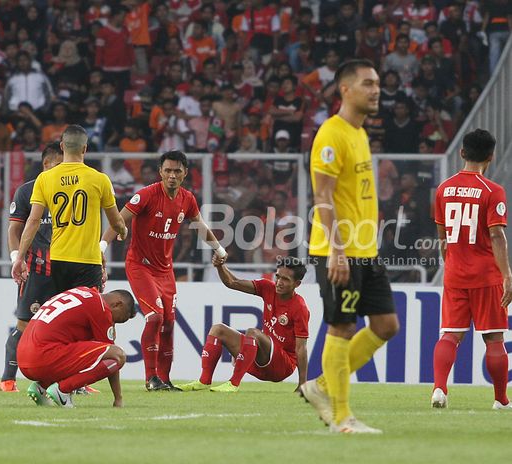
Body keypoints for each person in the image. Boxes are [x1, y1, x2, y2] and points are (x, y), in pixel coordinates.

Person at [299, 59, 399, 434]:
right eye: (368, 84)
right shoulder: (332, 134)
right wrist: (337, 250)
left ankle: (321, 386)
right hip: (337, 250)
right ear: (345, 89)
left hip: (365, 250)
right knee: (341, 326)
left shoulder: (359, 133)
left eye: (377, 84)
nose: (376, 90)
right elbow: (322, 196)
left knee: (387, 325)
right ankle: (342, 418)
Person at [100, 150, 227, 391]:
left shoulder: (187, 199)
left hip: (165, 271)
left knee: (169, 322)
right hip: (140, 266)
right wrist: (102, 246)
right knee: (155, 317)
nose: (172, 175)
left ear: (185, 174)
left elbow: (200, 226)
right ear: (160, 172)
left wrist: (219, 249)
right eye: (167, 170)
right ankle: (151, 378)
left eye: (177, 171)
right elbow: (120, 219)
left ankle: (164, 379)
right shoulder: (147, 194)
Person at [431, 129, 512, 410]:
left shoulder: (443, 189)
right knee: (493, 338)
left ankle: (439, 389)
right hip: (486, 275)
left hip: (454, 272)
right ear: (491, 156)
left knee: (450, 335)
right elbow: (497, 236)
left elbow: (442, 237)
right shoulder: (493, 191)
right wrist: (507, 275)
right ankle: (501, 400)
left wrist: (451, 264)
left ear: (462, 153)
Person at [12, 124, 126, 293]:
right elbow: (115, 221)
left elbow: (33, 220)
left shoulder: (45, 179)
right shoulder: (100, 179)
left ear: (62, 146)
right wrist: (122, 231)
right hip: (88, 259)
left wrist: (19, 257)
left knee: (65, 312)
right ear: (85, 149)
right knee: (88, 313)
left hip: (58, 260)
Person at [178, 257, 309, 392]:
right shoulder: (268, 288)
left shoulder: (299, 307)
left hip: (282, 366)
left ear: (297, 284)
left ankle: (233, 384)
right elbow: (232, 282)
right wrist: (220, 266)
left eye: (285, 279)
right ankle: (204, 381)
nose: (279, 283)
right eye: (278, 277)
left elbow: (301, 348)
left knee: (253, 332)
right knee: (218, 329)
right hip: (261, 360)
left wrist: (302, 384)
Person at [0, 143, 62, 393]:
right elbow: (14, 228)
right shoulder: (26, 192)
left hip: (66, 269)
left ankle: (73, 383)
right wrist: (17, 257)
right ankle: (7, 379)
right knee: (25, 326)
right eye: (59, 164)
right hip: (35, 270)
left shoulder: (69, 190)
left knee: (69, 326)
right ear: (46, 165)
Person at [17, 287, 136, 408]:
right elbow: (112, 352)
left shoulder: (83, 292)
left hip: (23, 357)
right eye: (116, 320)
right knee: (118, 355)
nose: (112, 323)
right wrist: (118, 398)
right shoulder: (101, 307)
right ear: (117, 304)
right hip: (42, 357)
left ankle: (42, 387)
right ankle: (62, 390)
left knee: (85, 350)